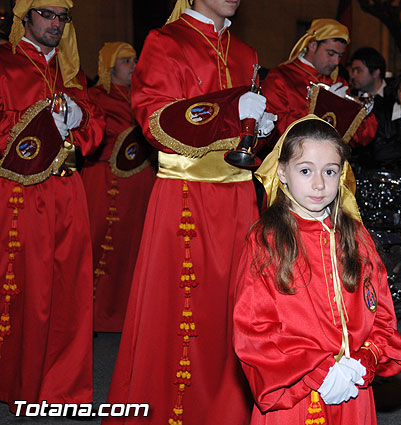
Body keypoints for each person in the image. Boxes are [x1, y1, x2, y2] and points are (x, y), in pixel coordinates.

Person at [104, 1, 275, 424]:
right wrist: (231, 114)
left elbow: (244, 135)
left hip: (238, 196)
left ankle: (228, 410)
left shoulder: (246, 52)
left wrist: (261, 128)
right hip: (186, 193)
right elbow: (155, 122)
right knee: (181, 311)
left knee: (234, 308)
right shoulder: (165, 41)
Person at [233, 115, 401, 424]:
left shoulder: (356, 236)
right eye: (306, 170)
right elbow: (254, 330)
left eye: (330, 171)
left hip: (353, 384)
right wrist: (320, 373)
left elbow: (381, 313)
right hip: (294, 390)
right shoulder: (265, 240)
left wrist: (364, 360)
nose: (319, 183)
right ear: (283, 173)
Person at [0, 0, 105, 412]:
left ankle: (62, 388)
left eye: (63, 17)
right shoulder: (6, 68)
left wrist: (79, 119)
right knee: (30, 291)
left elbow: (96, 134)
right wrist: (39, 123)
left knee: (70, 291)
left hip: (69, 189)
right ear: (24, 17)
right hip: (22, 192)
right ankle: (19, 383)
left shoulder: (71, 75)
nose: (56, 24)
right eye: (47, 14)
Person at [82, 42, 156, 333]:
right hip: (105, 183)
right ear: (110, 66)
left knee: (133, 247)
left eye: (135, 59)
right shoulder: (96, 97)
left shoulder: (142, 96)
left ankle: (128, 315)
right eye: (126, 60)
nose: (134, 65)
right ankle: (96, 316)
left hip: (141, 183)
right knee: (102, 243)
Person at [261, 18, 376, 146]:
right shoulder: (280, 77)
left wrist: (361, 115)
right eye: (331, 53)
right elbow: (275, 131)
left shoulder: (338, 82)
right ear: (312, 45)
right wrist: (322, 107)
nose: (336, 62)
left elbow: (359, 139)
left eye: (340, 56)